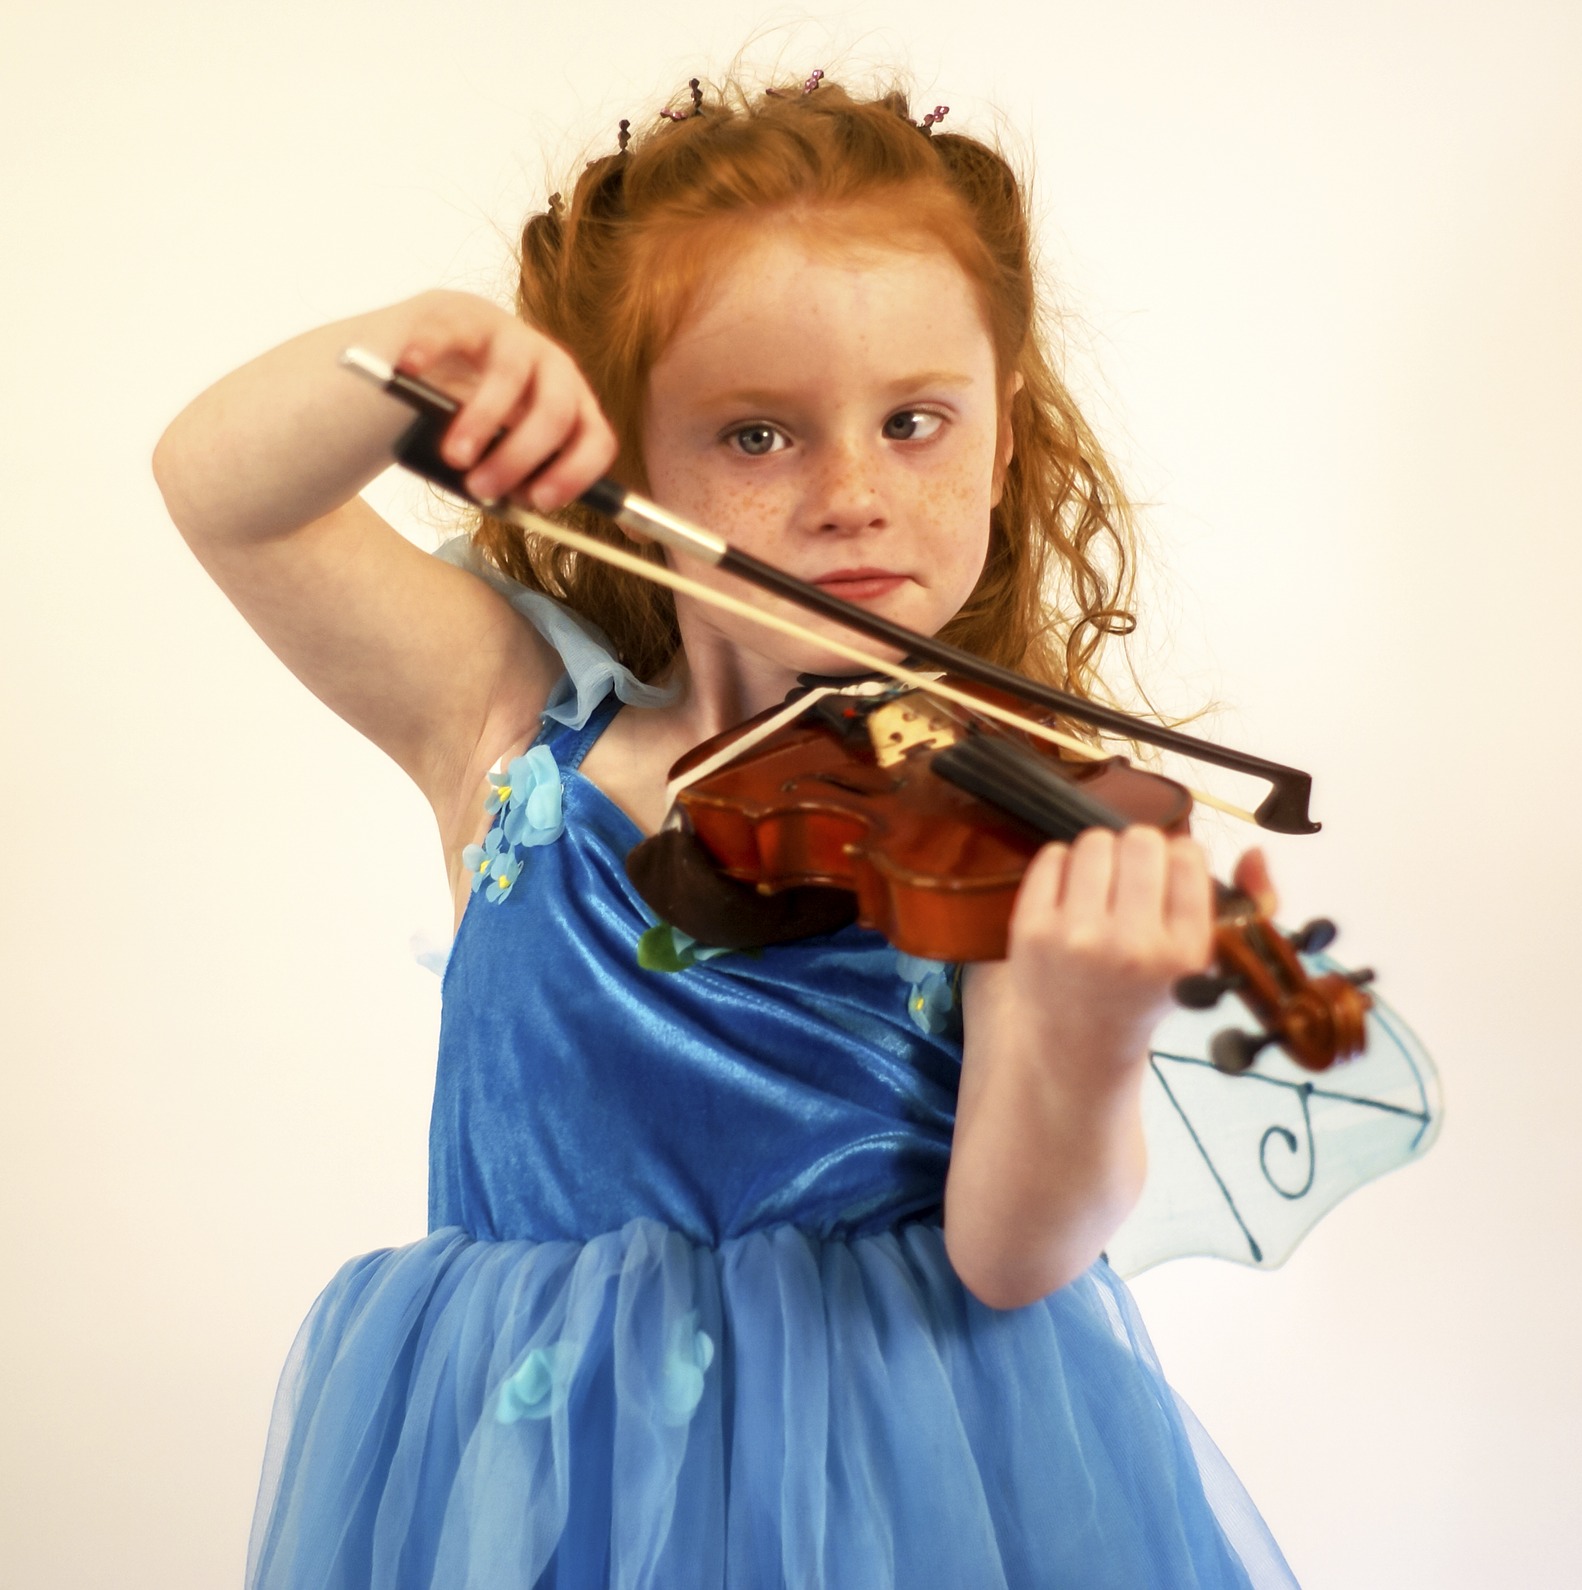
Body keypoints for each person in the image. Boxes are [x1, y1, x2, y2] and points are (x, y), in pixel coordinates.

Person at [155, 73, 1304, 1589]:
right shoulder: (507, 727)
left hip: (901, 1480)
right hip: (539, 1472)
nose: (852, 495)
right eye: (756, 436)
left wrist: (1092, 1033)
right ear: (624, 465)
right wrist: (414, 353)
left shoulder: (1023, 813)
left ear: (1004, 437)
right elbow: (222, 492)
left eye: (914, 422)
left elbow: (1013, 1252)